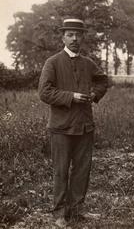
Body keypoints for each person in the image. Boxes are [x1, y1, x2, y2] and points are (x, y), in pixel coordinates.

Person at [38, 18, 108, 228]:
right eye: (70, 34)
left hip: (85, 126)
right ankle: (59, 214)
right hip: (60, 127)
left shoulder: (88, 63)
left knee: (82, 170)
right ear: (63, 37)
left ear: (83, 37)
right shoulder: (53, 62)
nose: (75, 38)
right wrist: (71, 97)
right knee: (60, 170)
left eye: (78, 34)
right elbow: (44, 92)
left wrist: (95, 93)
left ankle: (77, 210)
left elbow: (102, 80)